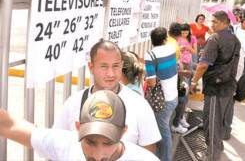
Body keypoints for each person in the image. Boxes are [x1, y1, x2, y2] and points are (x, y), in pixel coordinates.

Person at [53, 40, 161, 154]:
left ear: (122, 66)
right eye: (104, 66)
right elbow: (56, 145)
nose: (111, 73)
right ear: (91, 67)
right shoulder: (73, 103)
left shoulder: (139, 105)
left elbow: (149, 151)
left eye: (115, 66)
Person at [0, 90, 159, 160]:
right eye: (90, 142)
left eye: (108, 143)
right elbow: (10, 125)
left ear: (124, 132)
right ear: (77, 128)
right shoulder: (66, 145)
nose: (98, 155)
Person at [190, 11, 241, 161]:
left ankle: (212, 155)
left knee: (212, 121)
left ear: (225, 23)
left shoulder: (215, 38)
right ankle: (218, 146)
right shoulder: (235, 39)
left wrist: (193, 82)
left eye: (215, 22)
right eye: (211, 22)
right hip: (229, 85)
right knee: (219, 119)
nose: (211, 25)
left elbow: (203, 64)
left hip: (215, 87)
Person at [145, 27, 178, 161]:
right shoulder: (171, 48)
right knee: (165, 128)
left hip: (162, 101)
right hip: (173, 96)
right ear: (165, 39)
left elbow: (152, 83)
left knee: (163, 132)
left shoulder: (150, 55)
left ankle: (165, 158)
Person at [171, 23, 196, 134]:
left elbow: (194, 51)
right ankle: (178, 119)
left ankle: (180, 118)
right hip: (180, 69)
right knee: (182, 94)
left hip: (186, 65)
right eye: (183, 32)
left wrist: (188, 48)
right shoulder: (175, 41)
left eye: (186, 32)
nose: (184, 34)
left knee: (185, 92)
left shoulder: (192, 38)